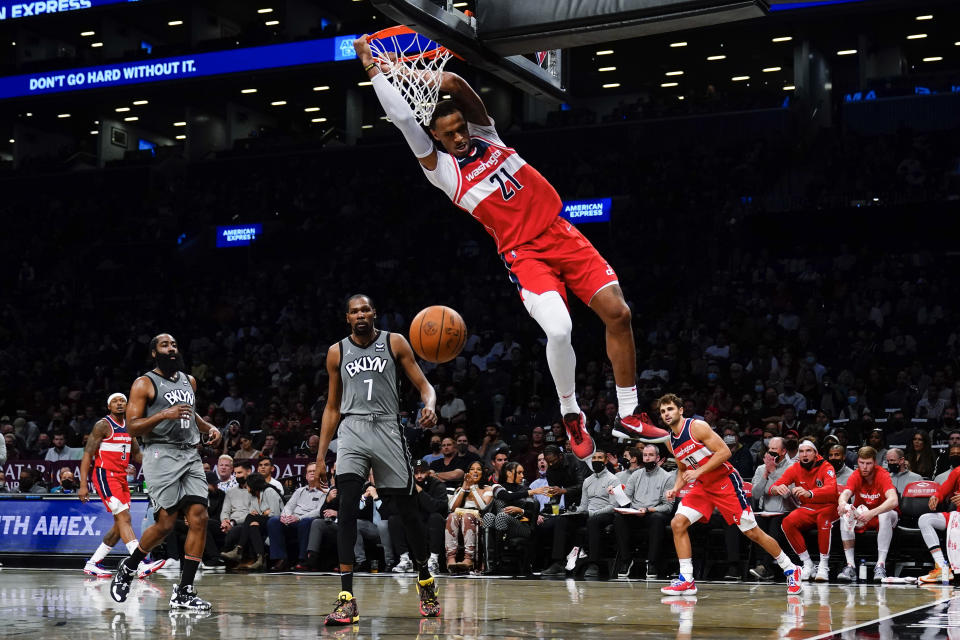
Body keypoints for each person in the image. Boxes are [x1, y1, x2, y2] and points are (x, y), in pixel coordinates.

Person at [354, 35, 668, 463]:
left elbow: (459, 86)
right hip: (525, 255)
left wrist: (434, 75)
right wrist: (374, 68)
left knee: (620, 313)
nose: (459, 137)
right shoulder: (443, 171)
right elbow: (405, 120)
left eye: (460, 128)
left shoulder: (487, 135)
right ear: (438, 138)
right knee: (559, 330)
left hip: (561, 233)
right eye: (450, 134)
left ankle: (628, 413)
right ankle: (571, 412)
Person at [314, 294, 441, 625]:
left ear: (374, 314)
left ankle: (425, 579)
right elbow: (332, 407)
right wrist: (320, 456)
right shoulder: (336, 351)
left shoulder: (394, 342)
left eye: (365, 309)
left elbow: (425, 387)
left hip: (387, 426)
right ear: (347, 317)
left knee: (409, 512)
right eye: (354, 310)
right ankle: (346, 599)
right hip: (352, 429)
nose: (360, 314)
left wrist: (429, 405)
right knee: (346, 509)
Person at [109, 333, 221, 611]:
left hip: (189, 453)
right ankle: (130, 565)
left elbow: (189, 413)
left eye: (174, 344)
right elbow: (133, 426)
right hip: (159, 453)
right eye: (165, 345)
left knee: (200, 517)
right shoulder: (143, 383)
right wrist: (163, 415)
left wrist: (208, 428)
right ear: (154, 353)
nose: (172, 349)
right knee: (166, 524)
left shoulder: (189, 380)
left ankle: (184, 591)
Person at [657, 394, 802, 596]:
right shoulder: (671, 440)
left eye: (670, 409)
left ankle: (791, 568)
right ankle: (687, 579)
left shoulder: (696, 427)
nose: (666, 414)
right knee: (677, 523)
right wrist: (676, 487)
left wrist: (698, 472)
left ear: (680, 410)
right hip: (703, 487)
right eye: (663, 411)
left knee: (752, 532)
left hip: (725, 482)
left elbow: (725, 452)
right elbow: (683, 468)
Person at [79, 392, 165, 579]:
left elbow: (138, 455)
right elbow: (87, 455)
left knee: (120, 525)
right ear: (109, 407)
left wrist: (157, 459)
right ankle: (139, 563)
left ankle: (93, 563)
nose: (119, 404)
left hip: (121, 478)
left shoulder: (130, 426)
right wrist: (83, 485)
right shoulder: (103, 425)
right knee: (124, 518)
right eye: (115, 402)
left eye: (122, 401)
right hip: (105, 475)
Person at [771, 441, 839, 583]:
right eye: (801, 452)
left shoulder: (826, 466)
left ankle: (823, 566)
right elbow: (775, 486)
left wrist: (810, 493)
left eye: (808, 451)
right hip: (809, 508)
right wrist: (777, 489)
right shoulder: (795, 468)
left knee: (823, 519)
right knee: (787, 522)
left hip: (830, 507)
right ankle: (808, 564)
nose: (804, 454)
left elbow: (832, 489)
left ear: (815, 454)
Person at [835, 446, 899, 582]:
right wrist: (842, 503)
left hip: (883, 515)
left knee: (885, 514)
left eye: (868, 463)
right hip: (864, 516)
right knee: (845, 513)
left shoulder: (882, 474)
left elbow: (893, 500)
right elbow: (845, 494)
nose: (864, 467)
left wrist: (872, 512)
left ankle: (880, 565)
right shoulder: (856, 475)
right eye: (861, 463)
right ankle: (850, 566)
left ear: (875, 463)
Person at [613, 444, 674, 579]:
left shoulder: (667, 477)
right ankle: (626, 560)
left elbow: (668, 507)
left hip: (652, 513)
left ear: (658, 458)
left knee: (657, 518)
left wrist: (648, 510)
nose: (647, 458)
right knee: (618, 517)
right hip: (635, 512)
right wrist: (615, 493)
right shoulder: (635, 475)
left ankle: (652, 563)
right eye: (645, 455)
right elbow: (626, 498)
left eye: (650, 455)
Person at [391, 460, 448, 574]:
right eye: (416, 473)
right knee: (394, 519)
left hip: (431, 523)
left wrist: (420, 491)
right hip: (414, 522)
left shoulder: (437, 485)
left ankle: (433, 561)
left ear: (428, 472)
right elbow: (395, 508)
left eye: (422, 472)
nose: (419, 476)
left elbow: (436, 507)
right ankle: (405, 560)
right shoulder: (406, 487)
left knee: (436, 517)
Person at [267, 462, 326, 571]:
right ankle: (281, 559)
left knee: (306, 522)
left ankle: (303, 560)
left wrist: (299, 518)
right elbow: (288, 507)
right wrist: (285, 517)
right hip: (293, 520)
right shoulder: (299, 491)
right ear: (306, 476)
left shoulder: (325, 491)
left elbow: (319, 511)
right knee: (274, 521)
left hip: (308, 521)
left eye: (315, 471)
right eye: (310, 471)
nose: (312, 473)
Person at [445, 460, 494, 573]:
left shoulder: (487, 489)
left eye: (478, 469)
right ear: (467, 473)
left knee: (467, 516)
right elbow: (452, 507)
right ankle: (451, 558)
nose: (475, 471)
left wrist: (472, 488)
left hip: (479, 519)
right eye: (472, 469)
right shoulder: (460, 489)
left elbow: (482, 507)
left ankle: (469, 558)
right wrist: (463, 487)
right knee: (452, 516)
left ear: (483, 473)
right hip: (460, 518)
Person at [916, 460, 960, 583]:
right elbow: (943, 489)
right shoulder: (957, 471)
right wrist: (935, 497)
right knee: (925, 520)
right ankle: (942, 567)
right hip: (957, 516)